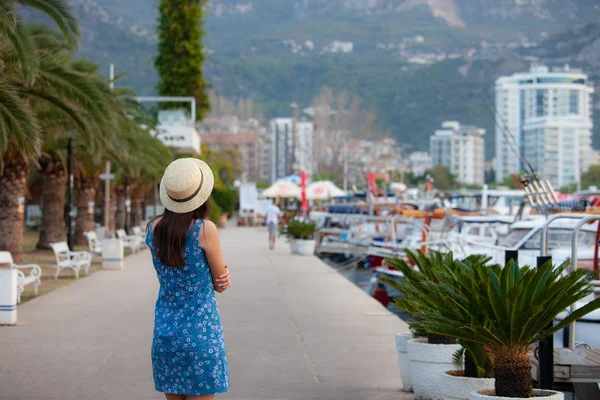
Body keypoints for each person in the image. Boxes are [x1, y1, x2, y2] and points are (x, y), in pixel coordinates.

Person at [146, 158, 232, 400]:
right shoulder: (205, 230)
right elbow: (220, 282)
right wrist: (226, 276)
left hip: (165, 335)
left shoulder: (153, 229)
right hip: (200, 335)